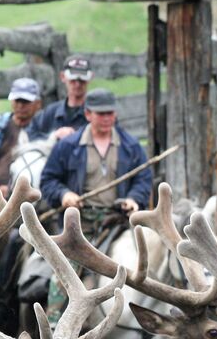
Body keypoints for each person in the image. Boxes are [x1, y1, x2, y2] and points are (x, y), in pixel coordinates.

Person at [39, 88, 151, 322]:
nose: (107, 118)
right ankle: (54, 327)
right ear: (88, 114)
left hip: (117, 222)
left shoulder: (130, 146)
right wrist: (64, 194)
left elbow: (143, 179)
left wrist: (134, 199)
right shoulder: (68, 146)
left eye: (110, 113)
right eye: (101, 114)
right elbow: (48, 180)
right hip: (80, 226)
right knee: (62, 276)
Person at [28, 56, 92, 141]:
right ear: (62, 77)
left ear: (90, 78)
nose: (77, 84)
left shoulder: (96, 114)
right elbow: (30, 135)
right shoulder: (51, 112)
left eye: (82, 80)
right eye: (73, 79)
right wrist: (53, 136)